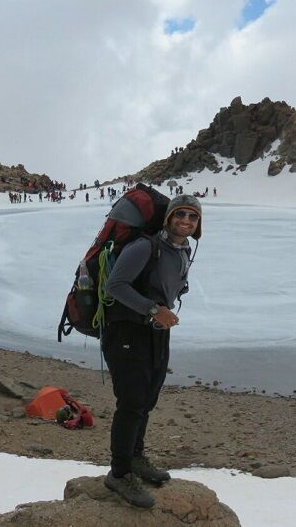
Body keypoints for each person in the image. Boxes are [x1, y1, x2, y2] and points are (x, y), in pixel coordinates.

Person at [102, 195, 202, 508]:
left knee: (147, 398)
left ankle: (135, 457)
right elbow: (115, 286)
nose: (185, 220)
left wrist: (158, 314)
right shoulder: (146, 246)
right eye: (180, 214)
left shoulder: (183, 249)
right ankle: (118, 474)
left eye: (192, 217)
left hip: (155, 332)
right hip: (127, 330)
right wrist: (153, 309)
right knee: (132, 401)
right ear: (168, 217)